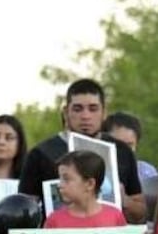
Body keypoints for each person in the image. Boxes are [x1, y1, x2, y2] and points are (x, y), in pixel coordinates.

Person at [19, 79, 145, 224]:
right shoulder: (40, 154)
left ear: (104, 112)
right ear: (66, 112)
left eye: (93, 109)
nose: (85, 116)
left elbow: (140, 212)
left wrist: (125, 200)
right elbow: (25, 212)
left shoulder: (122, 151)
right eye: (78, 109)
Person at [103, 111, 158, 181]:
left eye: (129, 145)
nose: (123, 151)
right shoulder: (94, 171)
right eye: (118, 145)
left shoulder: (146, 172)